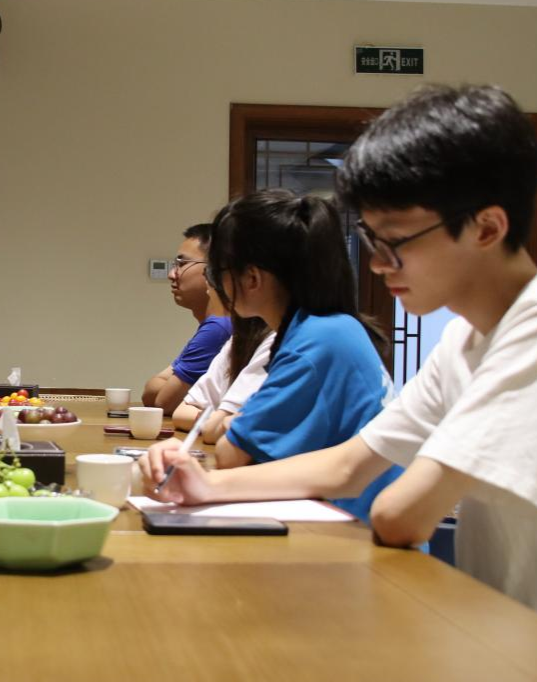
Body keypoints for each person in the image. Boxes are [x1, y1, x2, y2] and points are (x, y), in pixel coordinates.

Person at [140, 84, 537, 661]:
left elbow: (401, 517)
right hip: (495, 637)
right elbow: (350, 463)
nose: (376, 263)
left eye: (396, 241)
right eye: (372, 239)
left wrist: (221, 483)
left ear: (487, 227)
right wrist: (206, 486)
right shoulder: (465, 339)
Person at [151, 191, 400, 523]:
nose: (217, 285)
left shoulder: (314, 340)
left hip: (354, 533)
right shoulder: (327, 328)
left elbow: (230, 454)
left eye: (219, 272)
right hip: (341, 518)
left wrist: (233, 425)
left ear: (252, 278)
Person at [141, 224, 232, 415]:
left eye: (182, 264)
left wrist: (168, 389)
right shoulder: (215, 326)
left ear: (213, 270)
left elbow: (162, 402)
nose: (171, 274)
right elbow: (151, 390)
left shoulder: (219, 328)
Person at [170, 314, 274, 444]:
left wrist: (214, 421)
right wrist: (216, 420)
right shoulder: (240, 338)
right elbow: (181, 413)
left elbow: (213, 431)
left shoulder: (276, 339)